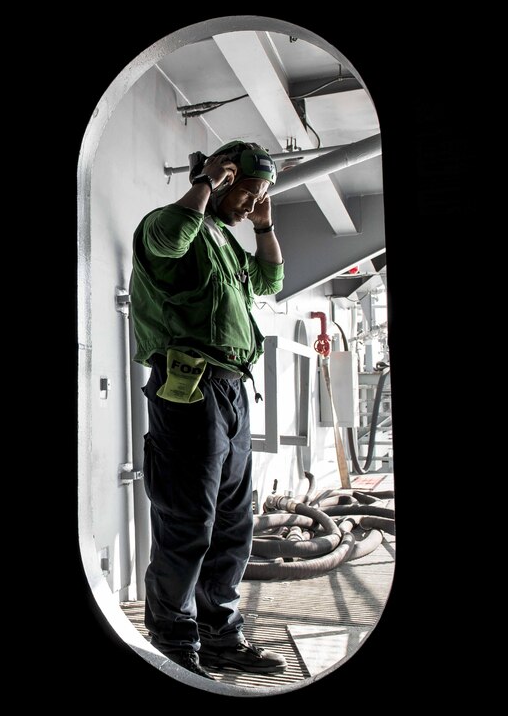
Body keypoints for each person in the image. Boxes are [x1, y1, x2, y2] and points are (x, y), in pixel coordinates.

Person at [129, 140, 289, 681]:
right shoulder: (172, 226)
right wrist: (205, 184)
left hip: (232, 392)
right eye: (248, 191)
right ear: (222, 180)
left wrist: (264, 224)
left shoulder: (227, 243)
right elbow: (170, 241)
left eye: (260, 194)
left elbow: (269, 281)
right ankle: (173, 640)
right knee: (188, 520)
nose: (252, 203)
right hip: (188, 391)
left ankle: (220, 634)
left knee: (234, 522)